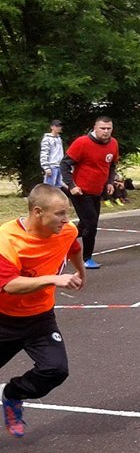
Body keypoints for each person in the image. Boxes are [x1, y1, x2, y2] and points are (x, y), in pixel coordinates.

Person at [0, 184, 85, 437]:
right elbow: (9, 285)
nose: (66, 219)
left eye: (66, 213)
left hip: (40, 319)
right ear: (38, 212)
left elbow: (73, 246)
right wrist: (53, 279)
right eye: (59, 213)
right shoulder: (7, 239)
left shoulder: (66, 230)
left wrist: (80, 271)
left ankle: (13, 394)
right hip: (4, 320)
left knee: (56, 370)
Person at [61, 114, 119, 270]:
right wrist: (71, 185)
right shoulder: (82, 143)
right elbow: (64, 164)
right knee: (91, 224)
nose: (106, 132)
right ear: (95, 128)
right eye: (102, 128)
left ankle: (60, 241)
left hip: (97, 191)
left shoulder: (113, 143)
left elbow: (111, 165)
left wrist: (109, 182)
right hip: (80, 191)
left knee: (86, 225)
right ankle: (87, 258)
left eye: (109, 128)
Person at [40, 120, 64, 188]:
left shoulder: (59, 139)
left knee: (58, 186)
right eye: (56, 126)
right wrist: (46, 167)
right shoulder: (47, 139)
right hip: (51, 166)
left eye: (60, 126)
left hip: (59, 165)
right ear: (52, 127)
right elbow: (44, 153)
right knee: (49, 187)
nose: (58, 128)